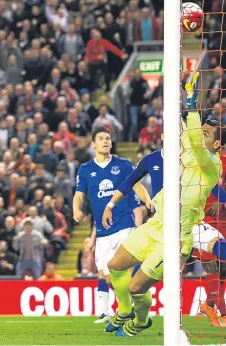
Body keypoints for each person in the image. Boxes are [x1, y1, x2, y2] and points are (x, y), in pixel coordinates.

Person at [104, 72, 224, 337]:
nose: (200, 136)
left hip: (176, 237)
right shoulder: (186, 149)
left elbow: (192, 137)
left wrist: (192, 106)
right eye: (201, 131)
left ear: (216, 143)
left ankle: (142, 319)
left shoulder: (212, 166)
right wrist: (177, 95)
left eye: (207, 134)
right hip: (157, 223)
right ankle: (124, 311)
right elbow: (182, 130)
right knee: (115, 265)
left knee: (136, 288)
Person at [72, 127, 151, 324]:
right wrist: (76, 209)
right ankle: (112, 311)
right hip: (102, 231)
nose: (105, 141)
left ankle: (129, 309)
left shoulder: (123, 165)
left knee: (122, 268)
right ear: (93, 144)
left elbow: (137, 185)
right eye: (101, 138)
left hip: (124, 225)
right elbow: (79, 195)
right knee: (106, 276)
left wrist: (147, 200)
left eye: (108, 138)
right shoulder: (85, 170)